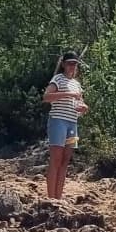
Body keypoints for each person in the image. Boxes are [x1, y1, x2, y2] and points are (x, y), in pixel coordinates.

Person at [43, 53, 88, 200]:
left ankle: (59, 197)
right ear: (63, 64)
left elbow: (80, 104)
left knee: (65, 161)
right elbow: (47, 97)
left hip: (72, 123)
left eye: (74, 64)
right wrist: (68, 93)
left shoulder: (77, 84)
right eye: (69, 63)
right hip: (58, 121)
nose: (72, 66)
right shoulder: (57, 79)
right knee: (56, 159)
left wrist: (83, 108)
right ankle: (51, 198)